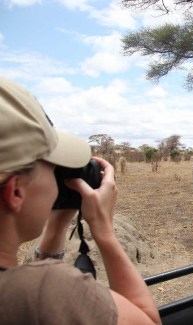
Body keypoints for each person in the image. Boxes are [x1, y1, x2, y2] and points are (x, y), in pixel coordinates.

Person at [0, 77, 161, 324]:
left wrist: (56, 226)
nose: (56, 183)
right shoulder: (49, 289)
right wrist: (104, 231)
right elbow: (149, 320)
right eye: (52, 169)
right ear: (16, 192)